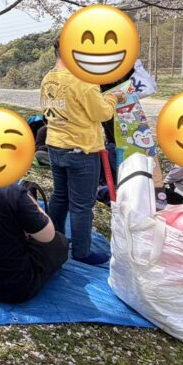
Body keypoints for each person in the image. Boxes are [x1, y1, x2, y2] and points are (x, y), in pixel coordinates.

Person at [40, 36, 119, 265]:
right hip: (81, 150)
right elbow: (102, 113)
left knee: (60, 196)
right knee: (82, 205)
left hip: (55, 145)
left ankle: (54, 240)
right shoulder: (83, 80)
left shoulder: (48, 78)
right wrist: (113, 97)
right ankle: (82, 252)